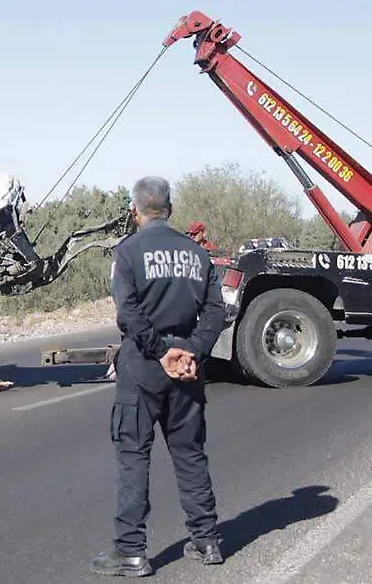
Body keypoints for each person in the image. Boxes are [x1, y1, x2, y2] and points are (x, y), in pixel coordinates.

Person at [91, 176, 228, 578]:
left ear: (135, 211)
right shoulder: (196, 254)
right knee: (190, 454)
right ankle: (207, 540)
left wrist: (159, 350)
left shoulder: (128, 251)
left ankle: (131, 551)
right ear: (170, 208)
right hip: (186, 367)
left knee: (134, 455)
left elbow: (127, 312)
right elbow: (217, 311)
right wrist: (192, 350)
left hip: (144, 368)